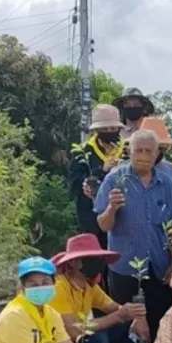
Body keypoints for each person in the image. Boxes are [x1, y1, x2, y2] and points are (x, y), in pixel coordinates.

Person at [94, 129, 172, 343]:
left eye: (149, 151)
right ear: (129, 152)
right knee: (125, 317)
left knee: (159, 315)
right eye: (138, 150)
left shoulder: (166, 183)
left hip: (158, 262)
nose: (143, 155)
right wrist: (112, 207)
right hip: (124, 264)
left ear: (157, 154)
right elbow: (103, 225)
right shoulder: (115, 180)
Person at [48, 234, 146, 343]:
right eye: (90, 258)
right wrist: (118, 316)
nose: (97, 262)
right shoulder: (59, 287)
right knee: (97, 340)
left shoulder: (89, 286)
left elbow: (116, 308)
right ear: (73, 262)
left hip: (78, 337)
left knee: (128, 334)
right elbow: (73, 329)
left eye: (98, 258)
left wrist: (136, 315)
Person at [69, 104, 124, 250]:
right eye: (104, 129)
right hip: (91, 221)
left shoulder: (126, 150)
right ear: (97, 130)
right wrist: (101, 170)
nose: (109, 132)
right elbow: (74, 184)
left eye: (113, 128)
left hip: (123, 220)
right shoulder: (83, 152)